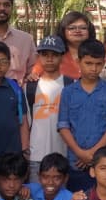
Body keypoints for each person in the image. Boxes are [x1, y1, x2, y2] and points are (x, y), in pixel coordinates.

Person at [57, 39, 106, 192]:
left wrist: (93, 153)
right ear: (78, 62)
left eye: (98, 64)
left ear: (104, 62)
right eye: (88, 63)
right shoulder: (68, 92)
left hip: (104, 163)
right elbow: (63, 126)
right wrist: (80, 153)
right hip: (76, 161)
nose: (94, 69)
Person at [25, 36, 72, 182]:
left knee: (61, 198)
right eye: (45, 55)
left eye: (54, 55)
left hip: (63, 153)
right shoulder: (29, 86)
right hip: (36, 154)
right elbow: (25, 121)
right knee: (36, 197)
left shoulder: (71, 84)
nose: (49, 59)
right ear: (38, 57)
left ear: (62, 57)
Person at [38, 11, 97, 81]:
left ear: (89, 31)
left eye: (83, 28)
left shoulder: (97, 53)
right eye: (72, 28)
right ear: (63, 31)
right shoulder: (51, 54)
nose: (77, 31)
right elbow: (35, 76)